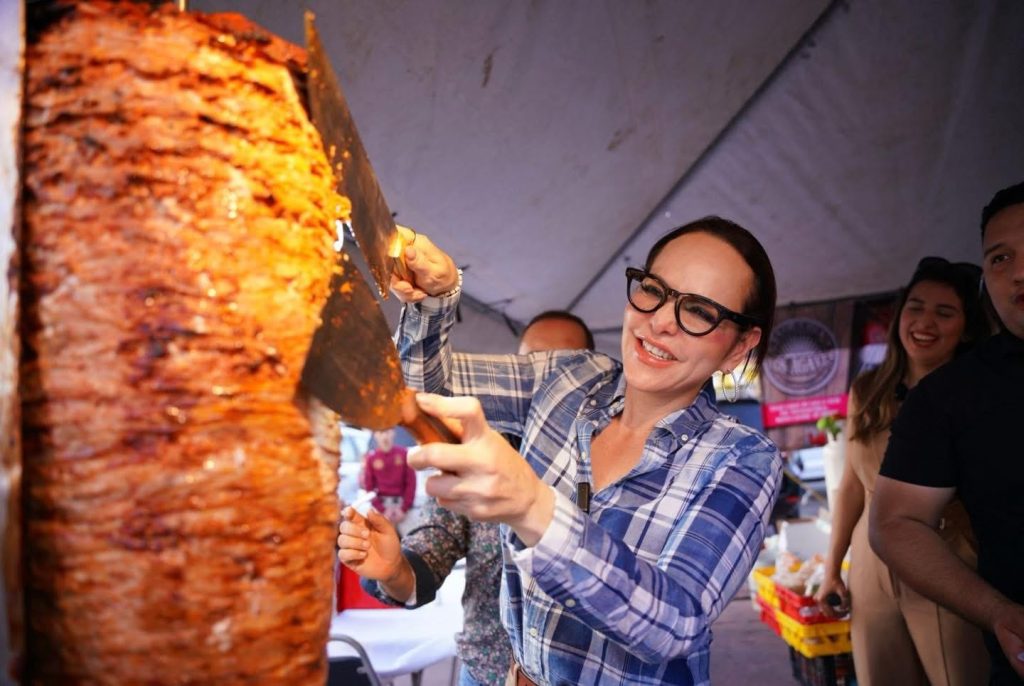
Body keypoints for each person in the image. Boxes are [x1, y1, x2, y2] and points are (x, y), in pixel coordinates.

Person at [339, 216, 782, 685]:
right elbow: (416, 393)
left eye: (700, 312)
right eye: (654, 290)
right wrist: (434, 301)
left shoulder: (740, 458)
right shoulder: (569, 379)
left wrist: (534, 507)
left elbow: (673, 624)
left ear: (740, 347)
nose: (660, 321)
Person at [352, 312, 594, 686]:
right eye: (531, 367)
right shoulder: (478, 453)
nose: (546, 384)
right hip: (486, 671)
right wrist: (393, 568)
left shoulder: (609, 466)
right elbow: (431, 551)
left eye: (564, 369)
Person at [870, 181, 1024, 685]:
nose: (1019, 271)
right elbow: (889, 517)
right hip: (933, 579)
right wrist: (998, 611)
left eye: (944, 312)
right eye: (1000, 258)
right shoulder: (942, 397)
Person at [814, 257, 990, 685]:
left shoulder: (979, 395)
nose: (925, 322)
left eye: (944, 312)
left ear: (966, 328)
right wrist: (833, 568)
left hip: (945, 553)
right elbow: (852, 486)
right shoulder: (868, 390)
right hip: (870, 557)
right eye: (916, 307)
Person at [359, 428, 416, 525]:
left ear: (393, 433)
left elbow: (411, 483)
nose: (385, 436)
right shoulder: (371, 458)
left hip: (402, 505)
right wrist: (382, 509)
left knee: (412, 533)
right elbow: (369, 487)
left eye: (388, 431)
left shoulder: (403, 454)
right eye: (381, 432)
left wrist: (404, 508)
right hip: (381, 505)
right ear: (375, 435)